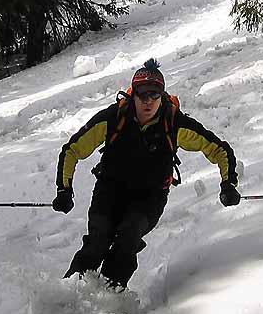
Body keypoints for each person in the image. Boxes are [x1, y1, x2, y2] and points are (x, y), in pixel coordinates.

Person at [53, 59, 240, 289]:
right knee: (97, 242)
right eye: (143, 94)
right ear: (133, 95)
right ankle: (68, 296)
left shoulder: (174, 123)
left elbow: (218, 149)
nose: (149, 100)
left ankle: (108, 300)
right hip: (110, 191)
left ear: (162, 95)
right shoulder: (114, 118)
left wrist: (228, 184)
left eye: (155, 94)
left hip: (149, 197)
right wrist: (64, 189)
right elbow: (71, 149)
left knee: (128, 238)